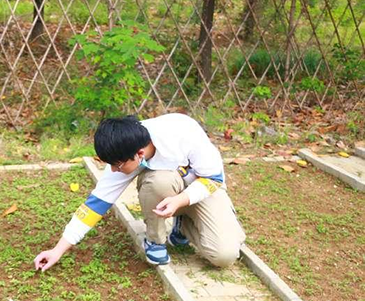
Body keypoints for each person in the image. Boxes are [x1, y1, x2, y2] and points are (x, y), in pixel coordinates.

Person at [34, 113, 245, 271]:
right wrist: (58, 250)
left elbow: (214, 178)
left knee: (224, 255)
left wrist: (181, 200)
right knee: (158, 181)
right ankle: (155, 241)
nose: (114, 170)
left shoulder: (184, 132)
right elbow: (95, 204)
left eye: (117, 165)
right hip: (167, 190)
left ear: (139, 154)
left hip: (204, 187)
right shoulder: (123, 149)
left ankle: (183, 225)